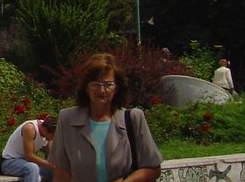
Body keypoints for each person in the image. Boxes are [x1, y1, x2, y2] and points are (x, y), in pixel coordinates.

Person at [51, 53, 162, 182]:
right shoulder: (67, 119)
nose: (102, 90)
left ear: (116, 89)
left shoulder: (133, 119)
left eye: (108, 84)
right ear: (86, 88)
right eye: (95, 84)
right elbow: (61, 175)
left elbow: (154, 169)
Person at [0, 115, 57, 182]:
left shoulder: (47, 132)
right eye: (53, 136)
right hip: (9, 163)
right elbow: (29, 156)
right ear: (45, 130)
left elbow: (51, 155)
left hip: (26, 163)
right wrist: (52, 165)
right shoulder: (30, 128)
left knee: (56, 170)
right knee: (32, 168)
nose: (53, 138)